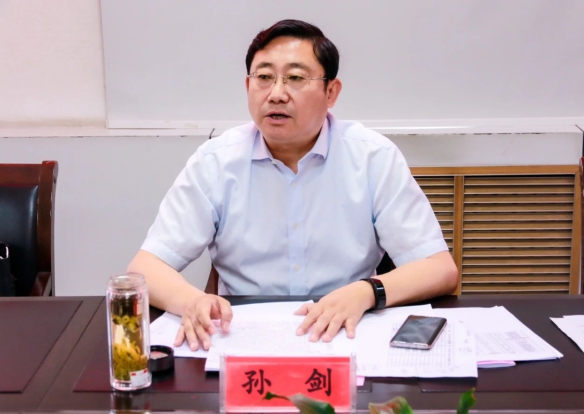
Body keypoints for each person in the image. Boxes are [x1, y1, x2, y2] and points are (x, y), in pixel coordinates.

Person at [127, 19, 458, 352]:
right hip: (241, 337)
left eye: (296, 78)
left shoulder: (373, 157)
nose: (276, 94)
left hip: (345, 331)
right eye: (264, 77)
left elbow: (439, 270)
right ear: (248, 86)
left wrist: (367, 291)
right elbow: (145, 267)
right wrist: (191, 301)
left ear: (331, 92)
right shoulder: (216, 162)